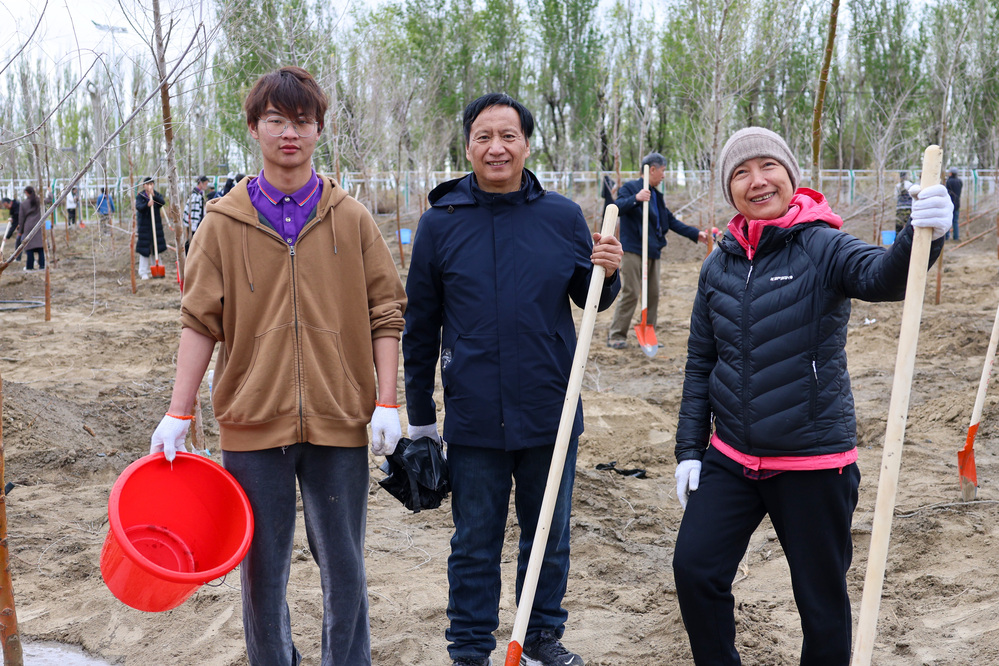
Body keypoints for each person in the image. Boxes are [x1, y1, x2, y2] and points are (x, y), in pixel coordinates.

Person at [148, 65, 406, 666]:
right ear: (254, 128)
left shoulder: (352, 219)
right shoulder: (222, 221)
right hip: (252, 423)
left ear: (319, 129)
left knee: (344, 564)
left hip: (340, 419)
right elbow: (199, 322)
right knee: (260, 569)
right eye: (275, 121)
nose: (289, 133)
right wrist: (177, 412)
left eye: (302, 121)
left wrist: (388, 402)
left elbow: (386, 314)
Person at [671, 126, 954, 665]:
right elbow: (701, 363)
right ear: (728, 189)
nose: (757, 181)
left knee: (820, 601)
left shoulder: (822, 244)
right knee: (695, 568)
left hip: (812, 459)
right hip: (731, 457)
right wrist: (689, 449)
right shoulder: (718, 264)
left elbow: (884, 277)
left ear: (790, 175)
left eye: (767, 167)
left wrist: (924, 234)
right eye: (740, 173)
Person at [403, 92, 623, 666]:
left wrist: (609, 272)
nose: (496, 147)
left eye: (509, 136)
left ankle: (543, 634)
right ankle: (470, 648)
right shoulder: (439, 223)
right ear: (468, 146)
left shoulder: (562, 217)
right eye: (484, 136)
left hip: (550, 405)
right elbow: (420, 327)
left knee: (547, 531)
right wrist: (421, 419)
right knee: (474, 539)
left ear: (527, 143)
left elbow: (589, 298)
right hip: (474, 412)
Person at [606, 152, 707, 349]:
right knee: (631, 292)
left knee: (652, 294)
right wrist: (636, 198)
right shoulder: (631, 188)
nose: (664, 175)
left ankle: (648, 333)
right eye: (662, 171)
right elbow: (616, 207)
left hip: (653, 251)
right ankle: (617, 334)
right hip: (634, 249)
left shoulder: (657, 196)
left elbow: (670, 221)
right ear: (651, 169)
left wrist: (696, 234)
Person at [135, 177, 167, 280]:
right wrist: (147, 205)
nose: (150, 186)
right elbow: (139, 207)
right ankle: (143, 272)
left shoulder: (156, 195)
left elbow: (162, 202)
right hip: (145, 228)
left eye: (151, 184)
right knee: (145, 250)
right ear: (144, 186)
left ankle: (157, 270)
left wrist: (153, 196)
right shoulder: (140, 196)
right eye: (148, 184)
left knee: (155, 249)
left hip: (155, 227)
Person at [17, 186, 45, 270]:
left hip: (28, 227)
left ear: (26, 193)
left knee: (29, 247)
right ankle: (42, 265)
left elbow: (21, 219)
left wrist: (20, 231)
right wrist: (50, 192)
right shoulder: (39, 200)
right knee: (40, 246)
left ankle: (30, 266)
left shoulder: (23, 204)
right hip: (39, 226)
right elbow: (50, 200)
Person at [184, 175, 210, 251]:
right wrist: (194, 226)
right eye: (205, 184)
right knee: (191, 241)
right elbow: (194, 212)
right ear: (201, 183)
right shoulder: (195, 196)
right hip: (193, 224)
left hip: (195, 223)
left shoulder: (199, 194)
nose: (206, 186)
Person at [946, 167, 963, 241]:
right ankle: (956, 237)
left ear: (950, 173)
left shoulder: (949, 181)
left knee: (947, 221)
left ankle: (946, 237)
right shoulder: (960, 181)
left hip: (949, 204)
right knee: (955, 221)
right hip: (957, 204)